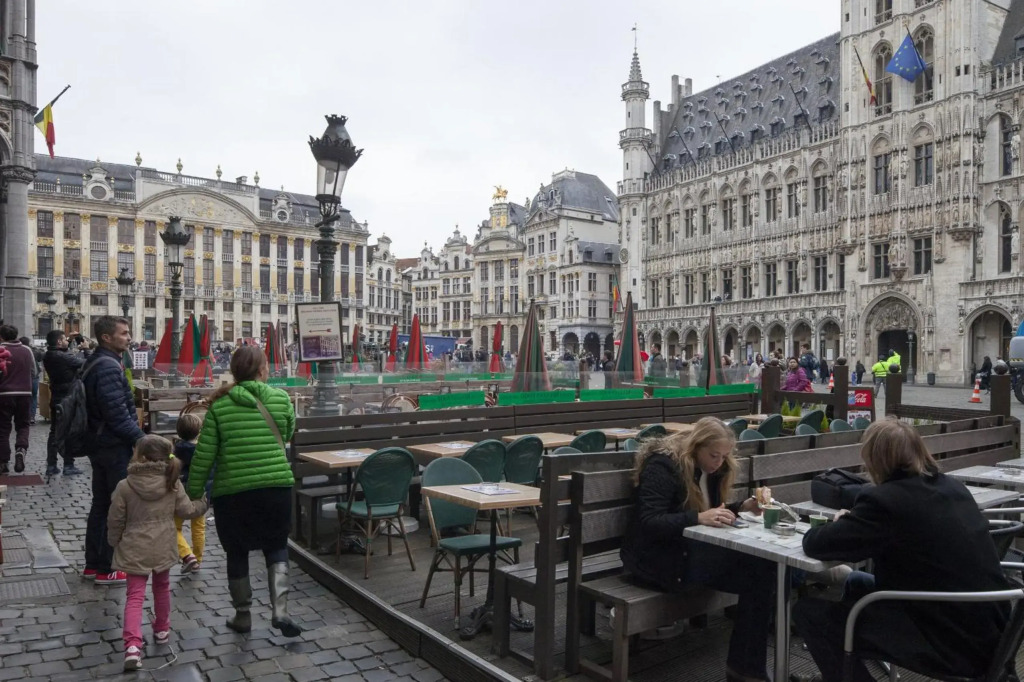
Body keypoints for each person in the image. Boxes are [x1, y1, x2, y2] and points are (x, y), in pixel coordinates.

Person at [793, 419, 1009, 682]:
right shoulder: (953, 488)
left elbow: (815, 544)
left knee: (810, 613)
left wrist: (842, 524)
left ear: (874, 459)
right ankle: (843, 672)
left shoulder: (885, 501)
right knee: (856, 583)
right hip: (992, 631)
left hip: (947, 642)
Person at [620, 417, 774, 682]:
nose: (719, 462)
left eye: (724, 456)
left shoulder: (714, 470)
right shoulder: (664, 466)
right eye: (714, 455)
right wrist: (697, 518)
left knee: (767, 569)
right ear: (695, 446)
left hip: (689, 552)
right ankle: (745, 667)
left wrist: (742, 507)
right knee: (761, 574)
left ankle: (747, 666)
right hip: (657, 561)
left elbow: (709, 512)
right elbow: (650, 522)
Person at [186, 345, 301, 637]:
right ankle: (280, 611)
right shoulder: (281, 398)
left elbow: (204, 456)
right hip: (276, 487)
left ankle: (242, 616)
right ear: (263, 370)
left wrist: (194, 492)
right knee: (276, 546)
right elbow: (287, 433)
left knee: (236, 552)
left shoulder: (219, 406)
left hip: (233, 493)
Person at [107, 434, 208, 671]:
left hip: (134, 546)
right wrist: (203, 503)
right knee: (162, 587)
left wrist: (114, 541)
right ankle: (162, 629)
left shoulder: (125, 485)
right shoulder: (172, 482)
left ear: (139, 456)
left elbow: (115, 519)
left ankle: (133, 646)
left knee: (134, 596)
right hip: (163, 543)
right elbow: (187, 510)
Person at [83, 316, 145, 585]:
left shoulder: (98, 361)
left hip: (100, 443)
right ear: (106, 337)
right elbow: (117, 415)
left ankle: (93, 564)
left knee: (101, 504)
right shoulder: (108, 367)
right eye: (124, 333)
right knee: (116, 507)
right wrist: (143, 440)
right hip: (112, 445)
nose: (129, 337)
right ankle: (107, 567)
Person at [42, 330, 87, 476]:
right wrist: (86, 349)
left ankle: (51, 465)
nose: (67, 341)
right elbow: (85, 363)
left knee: (54, 431)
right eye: (64, 339)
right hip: (68, 398)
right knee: (69, 431)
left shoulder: (49, 355)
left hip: (56, 396)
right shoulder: (63, 357)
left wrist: (70, 342)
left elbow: (65, 355)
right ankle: (68, 464)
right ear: (59, 342)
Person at [173, 413, 207, 574]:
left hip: (180, 493)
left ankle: (187, 554)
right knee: (198, 526)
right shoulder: (203, 450)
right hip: (199, 491)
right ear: (199, 431)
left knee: (173, 527)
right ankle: (197, 560)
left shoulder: (177, 451)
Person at [0, 326, 36, 474]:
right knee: (23, 425)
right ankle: (21, 449)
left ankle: (3, 461)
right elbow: (33, 371)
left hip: (3, 394)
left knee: (3, 428)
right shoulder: (27, 350)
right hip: (24, 393)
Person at [19, 337, 41, 424]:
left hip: (23, 377)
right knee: (33, 397)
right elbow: (40, 357)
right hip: (34, 377)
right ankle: (32, 416)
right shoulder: (34, 351)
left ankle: (24, 416)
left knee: (24, 397)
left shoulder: (19, 352)